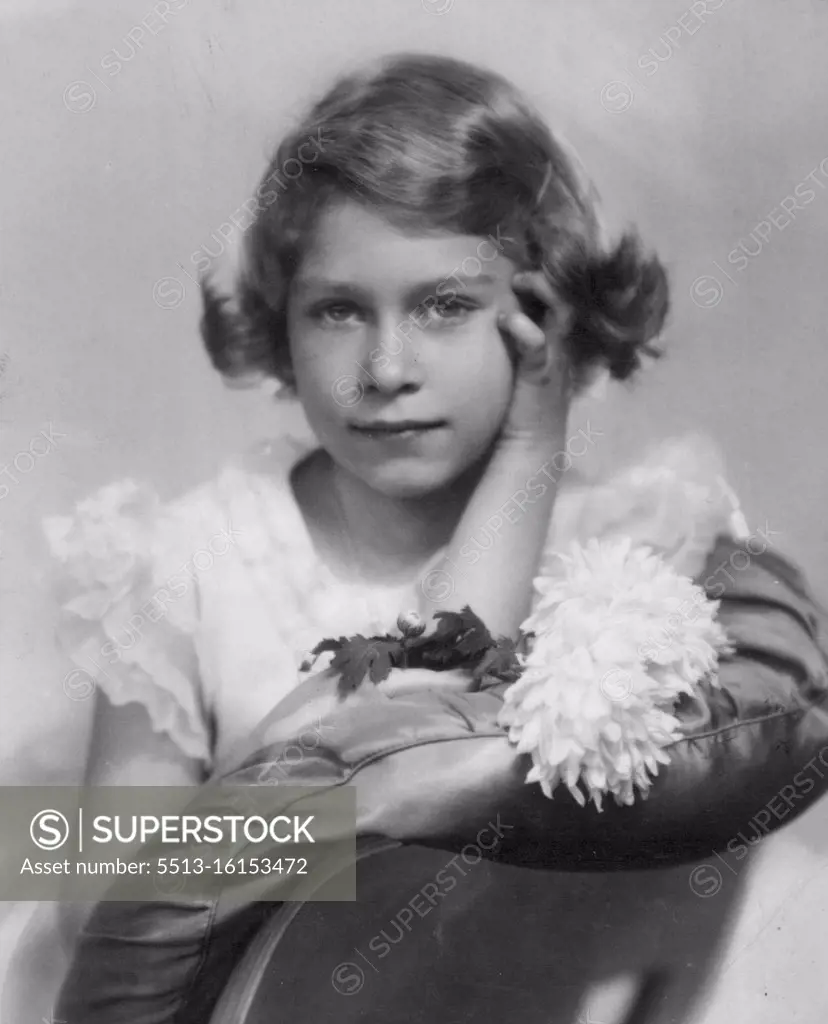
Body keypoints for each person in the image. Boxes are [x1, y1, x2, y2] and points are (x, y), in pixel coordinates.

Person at [43, 53, 794, 1021]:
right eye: (340, 310)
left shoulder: (623, 543)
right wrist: (291, 781)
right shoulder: (184, 559)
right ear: (282, 322)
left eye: (446, 306)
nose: (386, 366)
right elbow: (99, 911)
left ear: (545, 323)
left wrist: (531, 452)